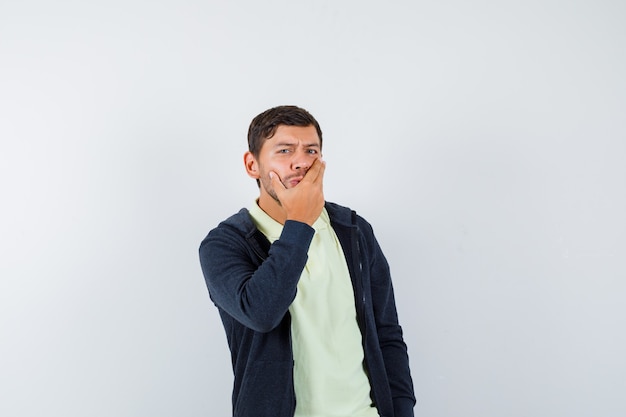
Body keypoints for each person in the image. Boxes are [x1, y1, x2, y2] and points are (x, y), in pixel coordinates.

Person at [199, 105, 416, 417]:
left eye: (311, 150)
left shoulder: (354, 231)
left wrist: (402, 410)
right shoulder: (225, 244)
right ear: (252, 165)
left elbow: (387, 334)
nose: (301, 162)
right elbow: (261, 313)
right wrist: (299, 223)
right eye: (284, 150)